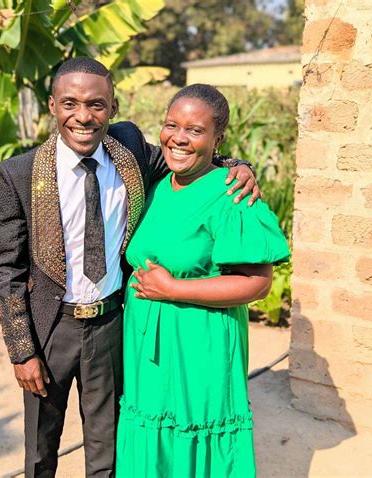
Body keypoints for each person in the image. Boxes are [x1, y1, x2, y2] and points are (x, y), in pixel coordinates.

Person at [0, 58, 260, 478]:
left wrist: (240, 167)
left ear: (113, 108)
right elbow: (7, 268)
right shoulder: (20, 172)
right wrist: (21, 350)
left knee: (108, 447)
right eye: (70, 103)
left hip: (110, 324)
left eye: (96, 104)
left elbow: (190, 153)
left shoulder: (130, 150)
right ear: (52, 106)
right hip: (51, 330)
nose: (83, 116)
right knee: (41, 449)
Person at [115, 84, 290, 477]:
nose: (179, 138)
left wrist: (173, 289)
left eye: (195, 130)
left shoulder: (232, 194)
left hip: (199, 342)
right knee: (153, 435)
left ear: (217, 139)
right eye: (171, 125)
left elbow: (257, 282)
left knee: (195, 433)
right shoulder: (156, 185)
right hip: (146, 349)